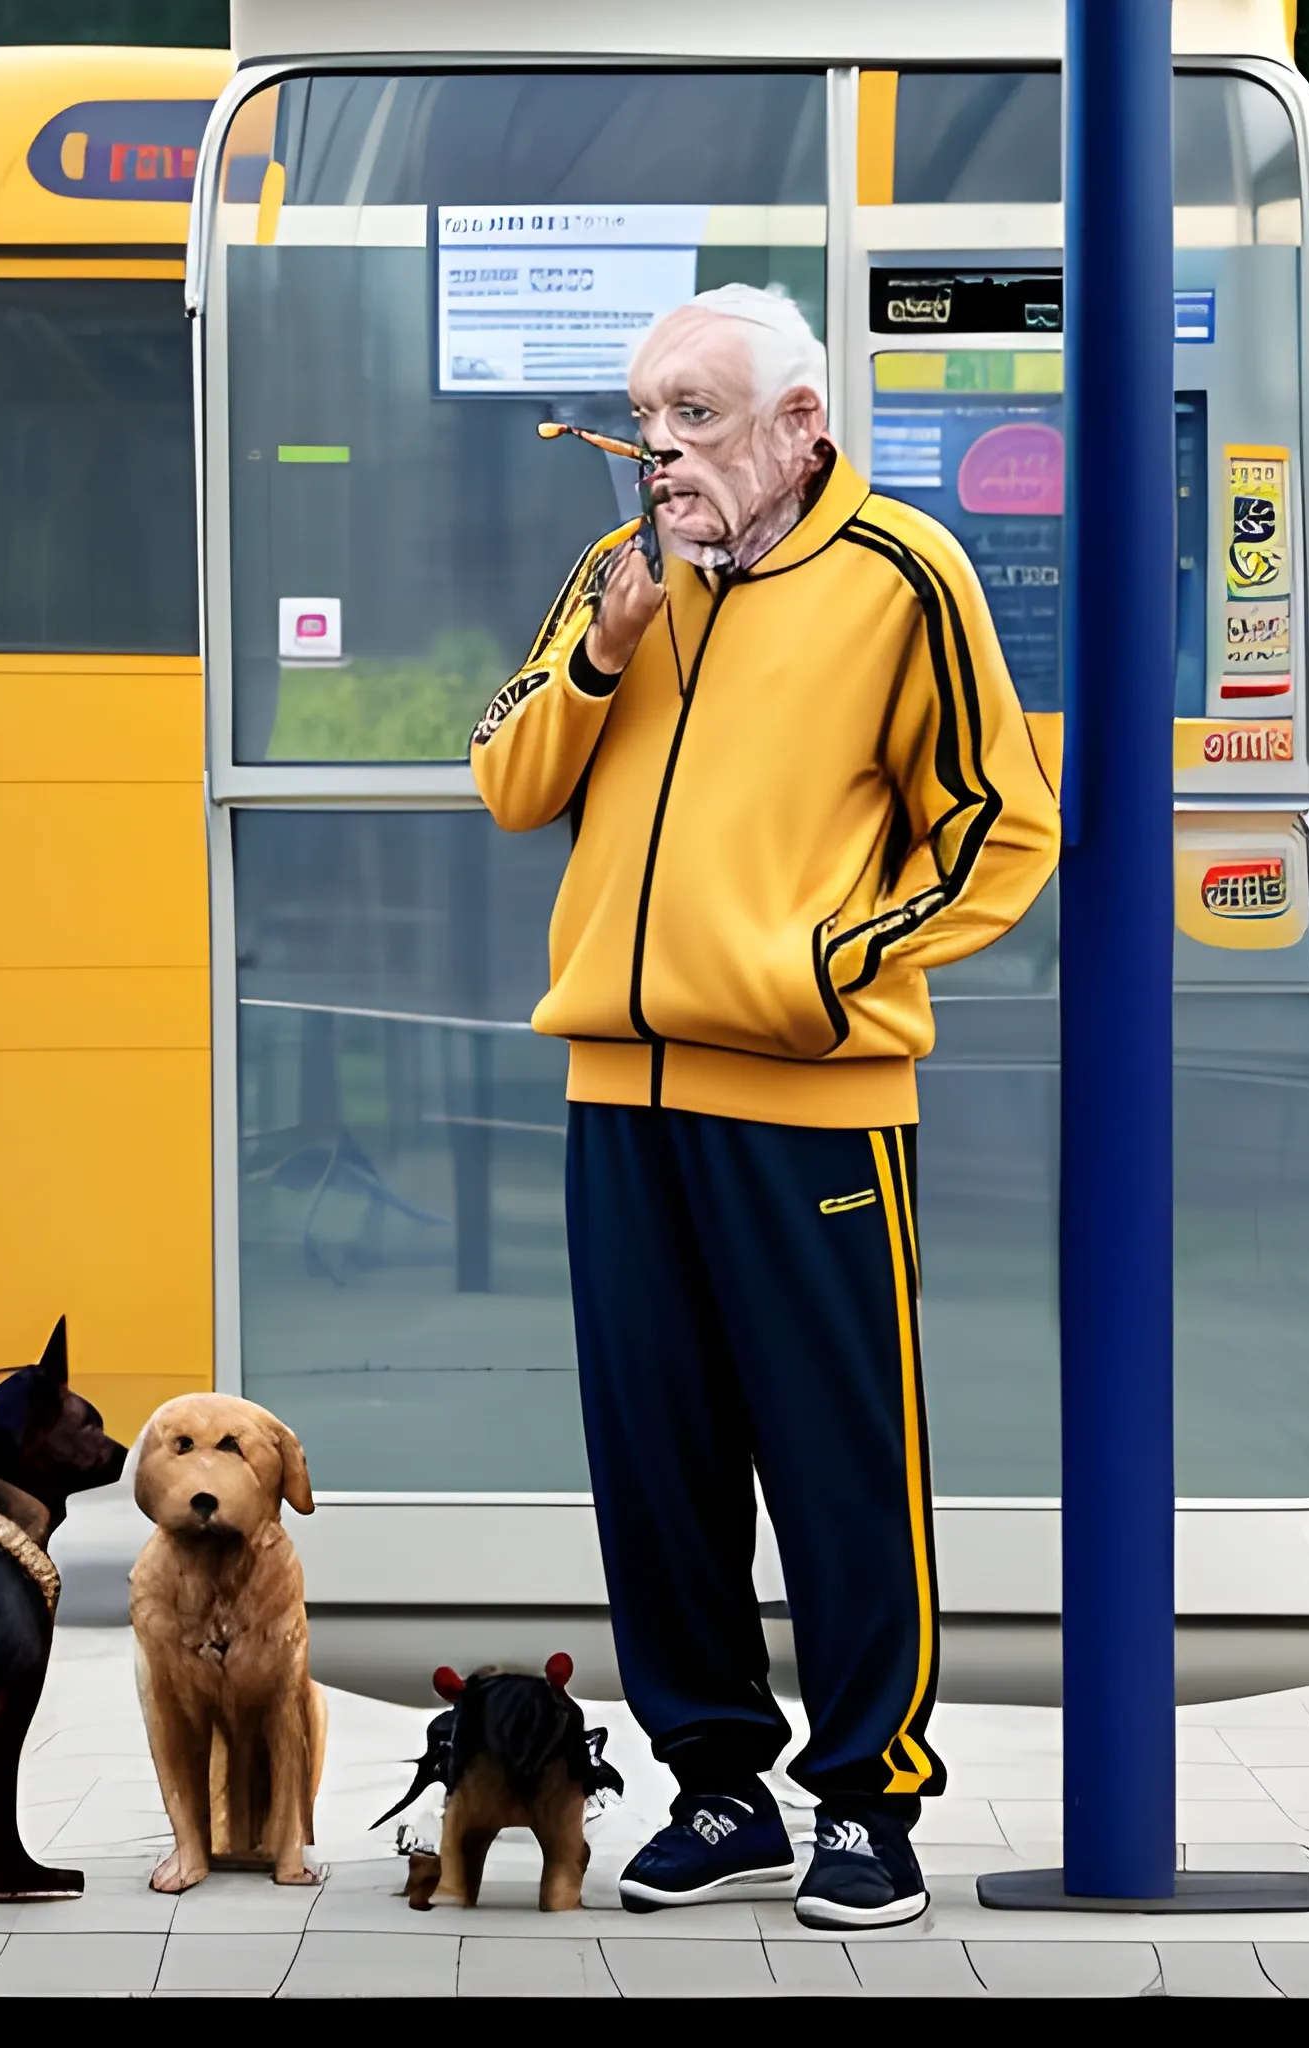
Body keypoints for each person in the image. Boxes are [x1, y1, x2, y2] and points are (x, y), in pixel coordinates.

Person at [471, 283, 1061, 1930]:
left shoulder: (904, 573)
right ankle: (715, 1788)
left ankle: (870, 1807)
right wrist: (599, 657)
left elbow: (999, 829)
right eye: (646, 416)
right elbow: (506, 778)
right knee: (656, 1467)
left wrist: (822, 970)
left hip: (814, 1104)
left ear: (801, 427)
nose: (661, 451)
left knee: (838, 1464)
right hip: (620, 1099)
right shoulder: (620, 581)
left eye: (697, 417)